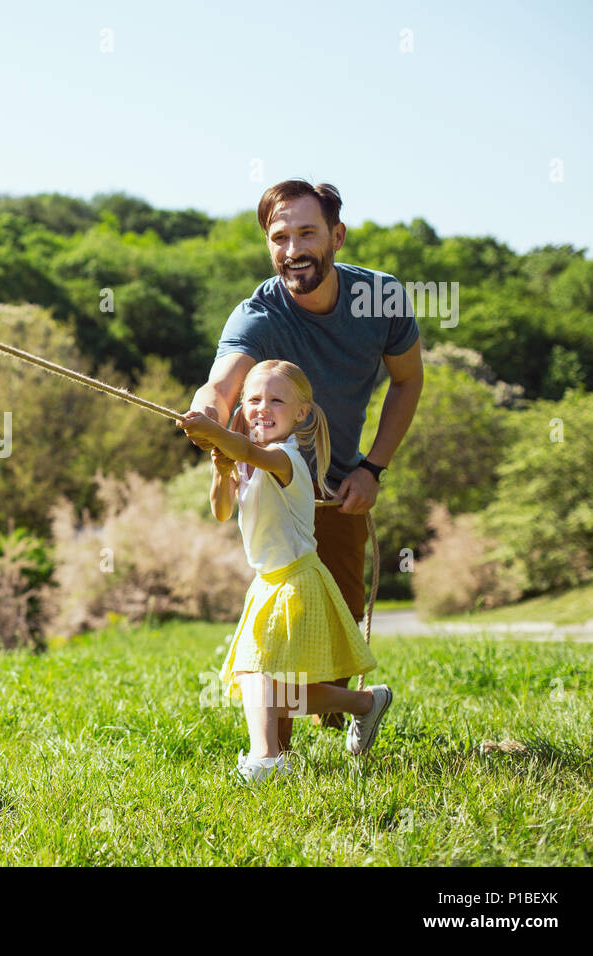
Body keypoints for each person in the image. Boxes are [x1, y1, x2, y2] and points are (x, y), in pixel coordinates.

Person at [187, 180, 422, 747]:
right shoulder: (258, 313)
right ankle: (273, 756)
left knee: (329, 647)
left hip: (339, 487)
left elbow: (408, 380)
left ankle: (353, 706)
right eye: (280, 237)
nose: (293, 248)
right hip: (277, 485)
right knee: (280, 648)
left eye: (307, 233)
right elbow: (220, 386)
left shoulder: (381, 297)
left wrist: (372, 468)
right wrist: (206, 414)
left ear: (336, 236)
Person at [178, 361, 393, 782]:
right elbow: (222, 511)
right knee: (281, 692)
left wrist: (218, 433)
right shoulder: (243, 460)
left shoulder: (285, 457)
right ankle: (367, 704)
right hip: (267, 583)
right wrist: (222, 470)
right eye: (253, 399)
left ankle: (267, 759)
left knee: (254, 673)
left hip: (297, 581)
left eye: (277, 399)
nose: (263, 408)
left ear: (302, 413)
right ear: (243, 406)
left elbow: (249, 451)